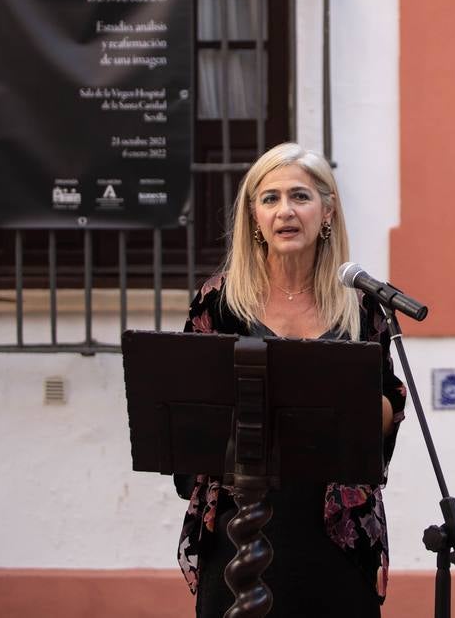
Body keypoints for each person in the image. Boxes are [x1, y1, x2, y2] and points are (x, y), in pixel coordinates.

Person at [174, 142, 406, 618]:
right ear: (254, 216)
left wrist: (345, 402)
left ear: (327, 210)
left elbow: (389, 406)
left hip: (334, 524)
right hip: (241, 522)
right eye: (270, 198)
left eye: (300, 196)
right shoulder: (219, 302)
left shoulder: (360, 306)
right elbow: (186, 409)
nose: (285, 211)